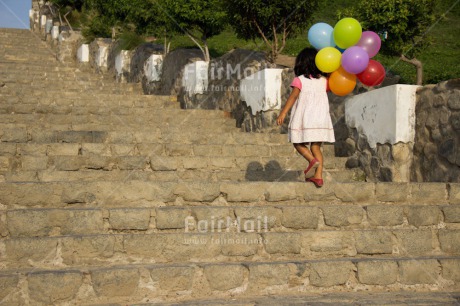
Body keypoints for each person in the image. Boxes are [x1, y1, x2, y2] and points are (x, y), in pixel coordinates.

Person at [276, 47, 335, 188]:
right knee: (316, 147)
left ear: (301, 64)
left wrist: (283, 112)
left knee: (297, 142)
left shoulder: (299, 80)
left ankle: (311, 161)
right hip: (321, 119)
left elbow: (293, 97)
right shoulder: (325, 81)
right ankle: (318, 177)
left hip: (306, 118)